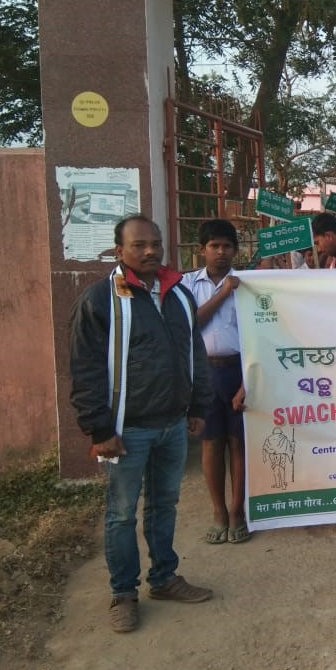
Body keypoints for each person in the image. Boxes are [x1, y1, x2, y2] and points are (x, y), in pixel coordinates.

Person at [69, 215, 214, 633]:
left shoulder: (178, 295)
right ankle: (123, 593)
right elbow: (85, 370)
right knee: (120, 514)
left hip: (171, 424)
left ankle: (164, 578)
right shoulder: (101, 299)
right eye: (139, 245)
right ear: (119, 251)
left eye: (156, 243)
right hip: (126, 430)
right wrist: (100, 431)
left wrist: (197, 406)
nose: (150, 251)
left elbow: (194, 354)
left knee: (164, 505)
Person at [182, 219, 250, 546]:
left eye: (226, 246)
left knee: (238, 443)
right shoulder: (187, 286)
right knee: (211, 444)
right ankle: (218, 511)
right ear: (202, 250)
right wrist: (223, 293)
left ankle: (238, 511)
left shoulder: (248, 285)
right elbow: (190, 324)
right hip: (204, 371)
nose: (220, 252)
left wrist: (248, 380)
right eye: (214, 246)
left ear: (236, 250)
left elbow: (259, 334)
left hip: (238, 370)